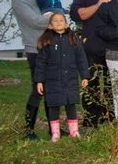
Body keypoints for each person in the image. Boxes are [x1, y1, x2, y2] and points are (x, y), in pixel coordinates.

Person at [70, 0, 115, 127]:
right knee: (91, 83)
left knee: (112, 83)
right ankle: (92, 117)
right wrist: (98, 4)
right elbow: (78, 14)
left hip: (113, 46)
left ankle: (110, 115)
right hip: (91, 45)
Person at [12, 0, 52, 140]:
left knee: (51, 89)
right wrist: (55, 17)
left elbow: (49, 6)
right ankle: (28, 129)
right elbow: (34, 20)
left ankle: (54, 128)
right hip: (34, 48)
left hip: (48, 45)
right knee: (38, 89)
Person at [34, 13, 90, 142]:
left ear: (66, 23)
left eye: (61, 20)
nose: (58, 23)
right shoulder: (47, 41)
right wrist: (39, 81)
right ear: (50, 25)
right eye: (55, 21)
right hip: (52, 81)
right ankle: (55, 133)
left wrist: (84, 76)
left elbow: (81, 59)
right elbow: (40, 63)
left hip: (70, 79)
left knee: (71, 105)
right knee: (53, 106)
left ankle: (74, 132)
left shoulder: (73, 39)